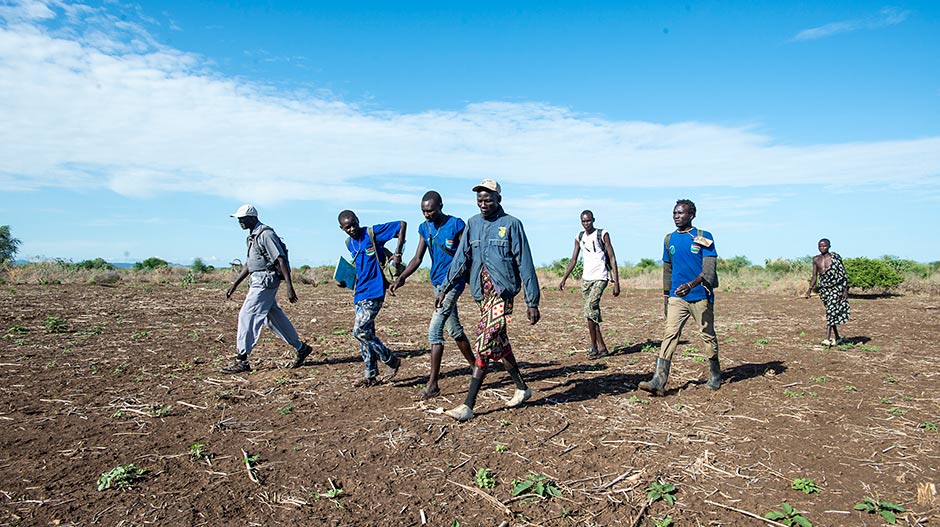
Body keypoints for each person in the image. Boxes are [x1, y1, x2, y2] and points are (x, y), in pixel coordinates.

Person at [435, 179, 540, 421]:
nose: (483, 204)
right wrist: (444, 288)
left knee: (483, 344)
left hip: (502, 295)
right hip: (483, 295)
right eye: (480, 200)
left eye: (488, 199)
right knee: (499, 344)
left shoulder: (511, 224)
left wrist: (532, 301)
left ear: (498, 200)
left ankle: (468, 405)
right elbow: (461, 258)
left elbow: (525, 263)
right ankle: (523, 388)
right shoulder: (472, 224)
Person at [390, 191, 476, 399]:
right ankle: (477, 367)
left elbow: (465, 256)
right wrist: (402, 278)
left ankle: (433, 384)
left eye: (430, 210)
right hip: (437, 283)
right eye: (423, 211)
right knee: (454, 330)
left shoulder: (456, 225)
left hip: (453, 283)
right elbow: (418, 258)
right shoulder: (424, 228)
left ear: (440, 206)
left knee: (435, 331)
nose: (427, 214)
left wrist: (448, 286)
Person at [638, 199, 721, 396]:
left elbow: (709, 270)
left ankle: (715, 373)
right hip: (677, 297)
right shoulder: (669, 239)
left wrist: (691, 285)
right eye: (674, 213)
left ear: (691, 215)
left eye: (681, 213)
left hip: (700, 295)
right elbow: (667, 270)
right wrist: (666, 296)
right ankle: (658, 380)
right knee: (670, 334)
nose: (676, 216)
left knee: (707, 334)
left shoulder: (703, 237)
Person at [223, 204, 312, 374]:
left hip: (265, 282)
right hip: (258, 280)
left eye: (242, 219)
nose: (240, 222)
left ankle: (242, 360)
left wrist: (289, 287)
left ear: (252, 218)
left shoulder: (266, 235)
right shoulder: (252, 237)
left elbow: (280, 260)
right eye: (238, 219)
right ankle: (301, 348)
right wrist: (235, 284)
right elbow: (250, 264)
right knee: (273, 319)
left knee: (247, 315)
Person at [337, 210, 407, 386]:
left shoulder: (372, 233)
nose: (352, 229)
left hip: (375, 291)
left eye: (354, 224)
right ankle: (370, 374)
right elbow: (360, 267)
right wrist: (345, 280)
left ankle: (391, 360)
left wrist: (398, 253)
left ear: (358, 220)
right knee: (367, 334)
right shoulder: (349, 243)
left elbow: (401, 225)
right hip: (359, 293)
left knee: (359, 331)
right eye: (347, 227)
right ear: (342, 228)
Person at [558, 210, 621, 358]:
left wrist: (616, 282)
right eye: (583, 221)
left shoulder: (602, 234)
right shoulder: (579, 237)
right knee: (591, 314)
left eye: (588, 221)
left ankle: (594, 347)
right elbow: (573, 259)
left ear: (593, 220)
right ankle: (601, 348)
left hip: (601, 277)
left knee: (589, 308)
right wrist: (564, 278)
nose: (586, 224)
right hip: (586, 279)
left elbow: (612, 257)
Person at [805, 238, 850, 346]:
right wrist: (809, 290)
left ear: (829, 246)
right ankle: (838, 337)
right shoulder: (816, 259)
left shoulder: (835, 258)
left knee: (830, 311)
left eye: (824, 246)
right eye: (820, 246)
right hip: (824, 289)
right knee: (831, 312)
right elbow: (814, 276)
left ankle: (827, 339)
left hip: (836, 288)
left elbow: (843, 274)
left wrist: (845, 290)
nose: (822, 248)